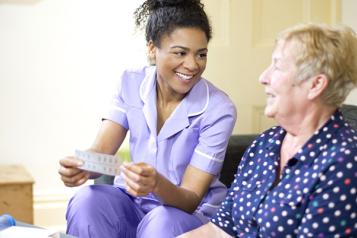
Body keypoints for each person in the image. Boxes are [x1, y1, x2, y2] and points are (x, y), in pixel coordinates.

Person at [58, 0, 237, 237]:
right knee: (87, 201)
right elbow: (101, 149)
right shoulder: (130, 82)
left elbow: (190, 199)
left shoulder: (219, 109)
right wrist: (82, 166)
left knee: (163, 221)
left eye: (201, 54)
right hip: (134, 202)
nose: (193, 65)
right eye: (180, 53)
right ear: (152, 49)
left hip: (185, 214)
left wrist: (156, 184)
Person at [178, 23, 357, 238]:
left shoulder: (344, 163)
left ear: (315, 85)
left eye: (278, 66)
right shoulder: (266, 143)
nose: (263, 77)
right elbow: (220, 229)